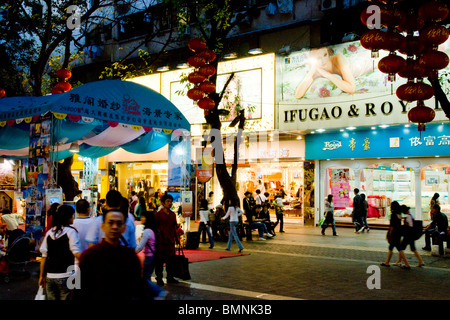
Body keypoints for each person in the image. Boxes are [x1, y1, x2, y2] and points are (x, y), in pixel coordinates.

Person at [77, 206, 148, 300]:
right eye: (110, 223)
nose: (114, 227)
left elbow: (138, 289)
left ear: (124, 228)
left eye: (119, 223)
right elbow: (79, 291)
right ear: (103, 226)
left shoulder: (130, 257)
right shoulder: (89, 256)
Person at [39, 205, 82, 300]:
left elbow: (44, 256)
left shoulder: (50, 233)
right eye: (72, 215)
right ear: (68, 217)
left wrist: (42, 276)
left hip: (50, 276)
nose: (73, 218)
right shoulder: (71, 232)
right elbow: (76, 253)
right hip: (67, 275)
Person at [135, 211, 168, 300]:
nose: (141, 218)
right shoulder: (153, 230)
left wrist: (132, 252)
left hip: (148, 257)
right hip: (153, 256)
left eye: (143, 217)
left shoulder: (147, 231)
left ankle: (158, 291)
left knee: (144, 278)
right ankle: (149, 294)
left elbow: (140, 246)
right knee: (147, 276)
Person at [154, 194, 180, 286]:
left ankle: (170, 276)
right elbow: (155, 227)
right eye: (168, 201)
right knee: (160, 261)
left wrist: (176, 238)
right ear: (163, 203)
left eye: (170, 201)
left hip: (170, 240)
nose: (169, 203)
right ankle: (159, 278)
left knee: (171, 260)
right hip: (161, 241)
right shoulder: (158, 215)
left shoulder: (172, 214)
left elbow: (174, 227)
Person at [381, 201, 410, 269]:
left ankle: (407, 264)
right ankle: (387, 262)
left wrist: (390, 233)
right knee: (391, 247)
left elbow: (392, 226)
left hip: (394, 233)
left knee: (399, 248)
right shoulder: (399, 214)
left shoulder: (393, 214)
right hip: (399, 232)